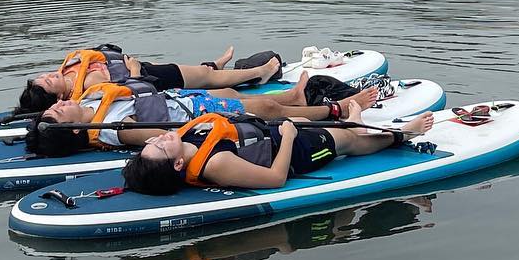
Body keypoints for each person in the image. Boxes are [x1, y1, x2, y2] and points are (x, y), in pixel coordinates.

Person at [24, 75, 383, 158]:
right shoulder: (115, 129)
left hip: (181, 99)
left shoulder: (94, 96)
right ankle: (339, 109)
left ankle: (294, 94)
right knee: (267, 110)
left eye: (54, 106)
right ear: (73, 130)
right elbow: (161, 135)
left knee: (236, 94)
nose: (56, 106)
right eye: (57, 113)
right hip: (194, 114)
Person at [121, 108, 414, 196]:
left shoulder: (187, 138)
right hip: (297, 152)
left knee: (303, 120)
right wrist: (288, 137)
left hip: (273, 133)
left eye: (153, 142)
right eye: (161, 147)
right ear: (178, 164)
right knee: (348, 141)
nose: (159, 138)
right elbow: (276, 178)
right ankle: (401, 135)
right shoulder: (216, 164)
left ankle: (358, 126)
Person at [16, 43, 282, 115]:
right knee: (207, 79)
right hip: (150, 79)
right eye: (48, 82)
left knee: (202, 74)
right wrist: (132, 69)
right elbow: (128, 91)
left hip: (145, 67)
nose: (49, 75)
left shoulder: (69, 72)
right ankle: (261, 72)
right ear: (60, 98)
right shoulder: (87, 89)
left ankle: (215, 64)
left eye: (44, 76)